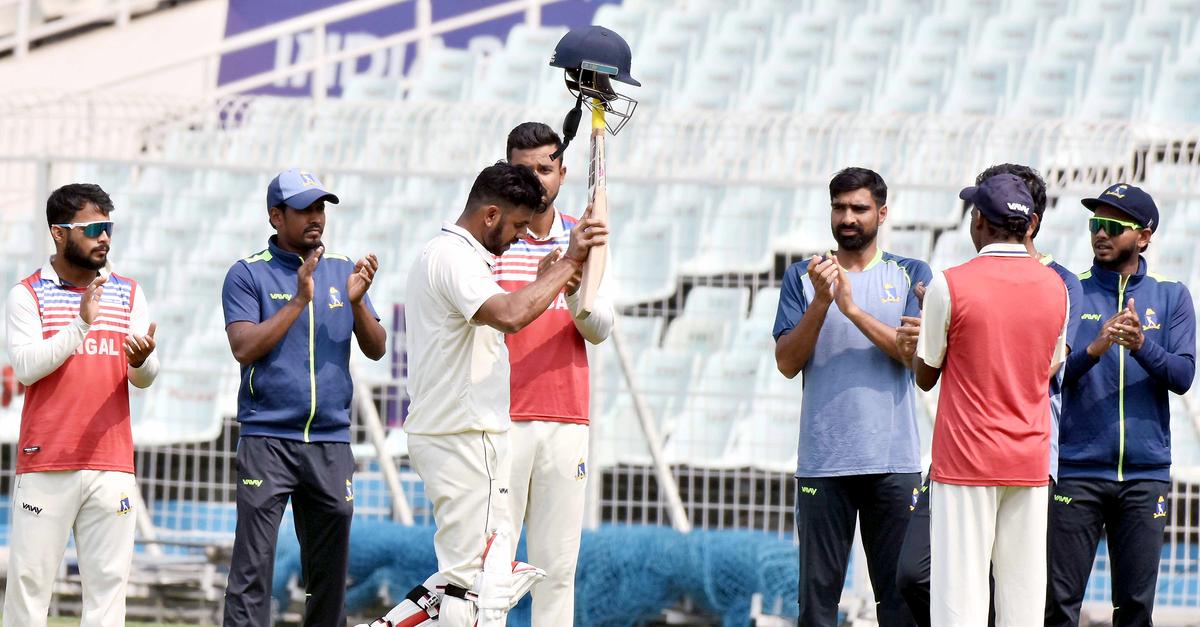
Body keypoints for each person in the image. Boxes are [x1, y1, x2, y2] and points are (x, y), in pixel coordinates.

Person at [402, 161, 606, 626]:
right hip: (464, 438)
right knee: (476, 587)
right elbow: (511, 314)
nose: (520, 236)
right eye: (516, 225)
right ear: (490, 215)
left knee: (467, 580)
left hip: (459, 435)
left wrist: (548, 278)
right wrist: (570, 262)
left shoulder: (454, 255)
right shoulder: (453, 257)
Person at [894, 163, 1084, 627]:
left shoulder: (950, 283)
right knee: (1022, 603)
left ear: (979, 219)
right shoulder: (1057, 288)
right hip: (1029, 459)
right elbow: (1049, 364)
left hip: (965, 461)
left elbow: (925, 375)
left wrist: (918, 344)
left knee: (960, 601)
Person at [221, 169, 387, 626]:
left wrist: (356, 303)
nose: (316, 218)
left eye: (321, 208)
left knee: (331, 573)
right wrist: (297, 301)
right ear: (276, 216)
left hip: (331, 442)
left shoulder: (342, 267)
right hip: (268, 439)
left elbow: (377, 348)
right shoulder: (247, 273)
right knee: (253, 567)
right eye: (304, 209)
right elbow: (244, 347)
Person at [772, 167, 930, 627]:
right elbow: (786, 363)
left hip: (893, 463)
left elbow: (912, 357)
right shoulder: (804, 277)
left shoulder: (911, 274)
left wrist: (851, 309)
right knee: (817, 606)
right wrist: (823, 302)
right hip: (824, 462)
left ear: (881, 213)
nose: (848, 218)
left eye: (859, 208)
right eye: (839, 207)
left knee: (899, 601)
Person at [3, 183, 159, 627]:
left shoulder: (128, 293)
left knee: (108, 599)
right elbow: (28, 368)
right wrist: (80, 324)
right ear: (58, 233)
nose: (104, 237)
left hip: (111, 466)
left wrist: (143, 362)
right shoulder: (27, 294)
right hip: (46, 463)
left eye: (108, 227)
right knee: (28, 594)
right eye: (93, 228)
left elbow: (143, 378)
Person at [1046, 183, 1196, 627]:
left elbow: (1183, 378)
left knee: (1134, 609)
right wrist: (1094, 348)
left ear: (1144, 236)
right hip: (1077, 471)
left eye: (1114, 226)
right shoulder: (1071, 291)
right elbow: (1051, 376)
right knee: (1059, 606)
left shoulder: (1172, 296)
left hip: (1144, 477)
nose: (1101, 234)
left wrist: (1141, 345)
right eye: (1096, 224)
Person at [497, 122, 615, 626]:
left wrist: (571, 282)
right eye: (525, 171)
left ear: (563, 173)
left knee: (556, 571)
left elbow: (599, 326)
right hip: (499, 419)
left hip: (566, 418)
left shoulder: (585, 235)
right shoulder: (491, 238)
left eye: (546, 169)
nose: (537, 180)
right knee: (491, 572)